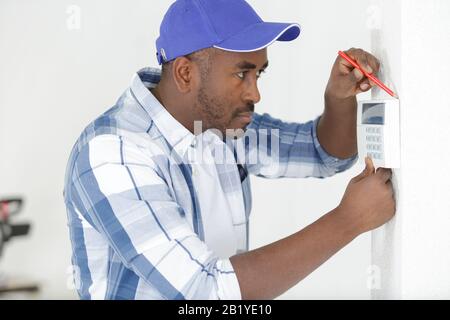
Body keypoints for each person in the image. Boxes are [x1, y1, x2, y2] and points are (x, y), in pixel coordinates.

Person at [63, 0, 395, 300]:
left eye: (259, 73)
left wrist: (339, 97)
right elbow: (206, 291)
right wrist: (348, 220)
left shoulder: (219, 126)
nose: (255, 93)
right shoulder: (113, 153)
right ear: (185, 73)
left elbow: (324, 154)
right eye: (242, 74)